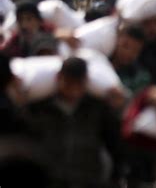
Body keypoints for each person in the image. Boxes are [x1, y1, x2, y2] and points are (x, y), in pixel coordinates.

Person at [26, 57, 122, 187]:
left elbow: (115, 144)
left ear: (86, 81)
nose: (74, 90)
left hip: (87, 181)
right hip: (48, 180)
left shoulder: (98, 109)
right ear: (59, 78)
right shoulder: (38, 109)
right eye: (69, 84)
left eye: (79, 84)